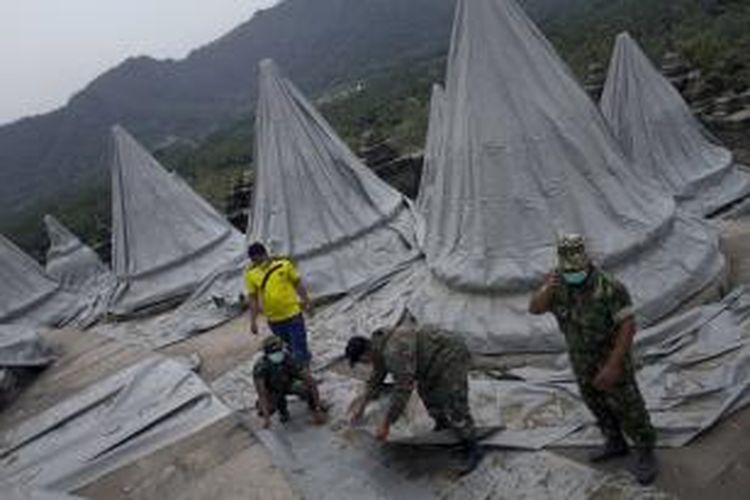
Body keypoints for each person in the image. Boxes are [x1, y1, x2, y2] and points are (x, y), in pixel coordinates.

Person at [528, 234, 657, 485]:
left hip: (611, 359)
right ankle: (615, 442)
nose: (573, 273)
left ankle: (645, 452)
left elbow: (628, 326)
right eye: (568, 269)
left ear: (586, 262)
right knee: (596, 403)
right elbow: (534, 308)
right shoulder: (557, 284)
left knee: (629, 407)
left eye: (577, 269)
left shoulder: (609, 287)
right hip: (580, 360)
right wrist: (546, 289)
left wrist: (613, 365)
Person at [345, 326, 483, 474]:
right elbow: (376, 378)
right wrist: (362, 405)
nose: (365, 364)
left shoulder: (392, 352)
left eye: (362, 361)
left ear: (366, 353)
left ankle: (473, 448)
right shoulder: (377, 348)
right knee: (427, 393)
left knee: (454, 402)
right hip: (427, 362)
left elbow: (403, 390)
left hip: (449, 354)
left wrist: (386, 423)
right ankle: (443, 427)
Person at [245, 242, 312, 365]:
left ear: (264, 254)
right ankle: (305, 358)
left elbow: (297, 283)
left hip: (293, 314)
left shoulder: (284, 265)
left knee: (298, 346)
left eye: (256, 258)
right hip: (274, 319)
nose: (255, 262)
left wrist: (306, 300)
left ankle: (304, 373)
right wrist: (253, 321)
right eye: (253, 260)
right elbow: (252, 298)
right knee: (290, 346)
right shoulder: (251, 274)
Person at [254, 336, 326, 428]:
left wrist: (317, 408)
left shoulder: (290, 358)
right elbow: (262, 393)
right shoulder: (261, 367)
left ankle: (312, 405)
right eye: (273, 352)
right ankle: (282, 411)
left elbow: (311, 381)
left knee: (306, 388)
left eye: (278, 351)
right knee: (264, 410)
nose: (277, 354)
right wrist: (267, 419)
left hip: (290, 383)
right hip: (273, 390)